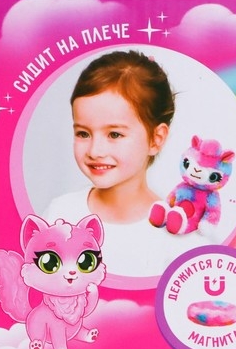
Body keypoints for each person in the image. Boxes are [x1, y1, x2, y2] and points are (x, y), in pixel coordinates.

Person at [44, 50, 208, 278]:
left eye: (114, 134)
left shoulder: (178, 238)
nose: (95, 151)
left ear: (156, 139)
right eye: (83, 133)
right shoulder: (60, 214)